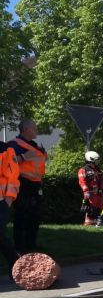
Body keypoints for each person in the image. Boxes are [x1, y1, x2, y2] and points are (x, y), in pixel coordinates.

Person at [9, 119, 46, 252]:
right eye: (34, 128)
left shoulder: (35, 145)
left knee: (34, 216)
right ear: (25, 130)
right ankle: (20, 247)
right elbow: (9, 162)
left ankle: (31, 245)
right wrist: (24, 157)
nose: (37, 130)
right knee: (22, 215)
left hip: (35, 184)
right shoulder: (15, 144)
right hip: (22, 183)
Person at [0, 142, 20, 278]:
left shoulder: (5, 149)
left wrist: (8, 199)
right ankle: (15, 263)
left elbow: (12, 176)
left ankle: (15, 264)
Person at [78, 151, 103, 226]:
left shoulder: (98, 170)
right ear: (91, 160)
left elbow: (102, 182)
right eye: (96, 161)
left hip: (99, 193)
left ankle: (97, 223)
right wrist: (86, 191)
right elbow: (82, 181)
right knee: (91, 209)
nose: (97, 162)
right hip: (90, 193)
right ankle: (89, 224)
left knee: (99, 209)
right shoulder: (83, 170)